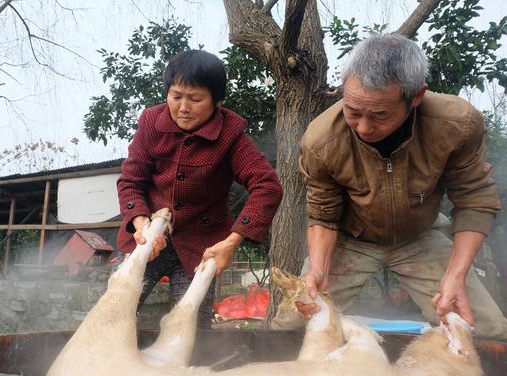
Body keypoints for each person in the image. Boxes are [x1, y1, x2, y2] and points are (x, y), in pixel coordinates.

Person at [296, 33, 507, 340]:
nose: (364, 127)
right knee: (295, 323)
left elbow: (474, 199)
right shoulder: (320, 140)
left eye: (380, 115)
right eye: (353, 111)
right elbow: (323, 213)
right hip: (350, 238)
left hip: (421, 235)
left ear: (417, 96)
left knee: (482, 326)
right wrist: (318, 270)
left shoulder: (457, 125)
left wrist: (455, 275)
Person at [117, 49, 283, 329]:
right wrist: (142, 224)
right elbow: (131, 179)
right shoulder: (150, 123)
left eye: (195, 99)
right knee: (117, 311)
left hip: (201, 247)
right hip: (150, 240)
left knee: (191, 328)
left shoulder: (231, 135)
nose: (183, 107)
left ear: (217, 101)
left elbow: (267, 186)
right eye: (176, 96)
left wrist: (231, 242)